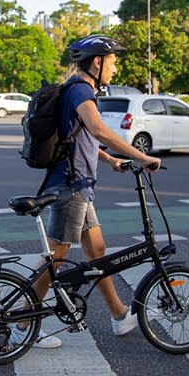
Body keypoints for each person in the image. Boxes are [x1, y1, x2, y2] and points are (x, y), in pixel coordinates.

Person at [11, 34, 162, 349]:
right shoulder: (81, 89)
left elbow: (77, 137)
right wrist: (141, 156)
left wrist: (110, 160)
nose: (115, 70)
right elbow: (97, 129)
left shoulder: (73, 87)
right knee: (56, 257)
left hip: (78, 183)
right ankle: (23, 323)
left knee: (97, 251)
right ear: (98, 62)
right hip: (71, 185)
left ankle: (120, 315)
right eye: (114, 62)